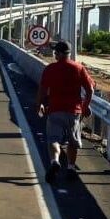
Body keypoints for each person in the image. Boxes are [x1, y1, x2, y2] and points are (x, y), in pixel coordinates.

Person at [36, 41, 94, 183]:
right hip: (74, 112)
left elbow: (42, 90)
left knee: (53, 139)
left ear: (60, 53)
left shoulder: (50, 69)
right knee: (72, 141)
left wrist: (39, 105)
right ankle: (71, 168)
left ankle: (55, 161)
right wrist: (86, 106)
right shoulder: (79, 68)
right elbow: (90, 90)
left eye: (56, 52)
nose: (55, 54)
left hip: (55, 110)